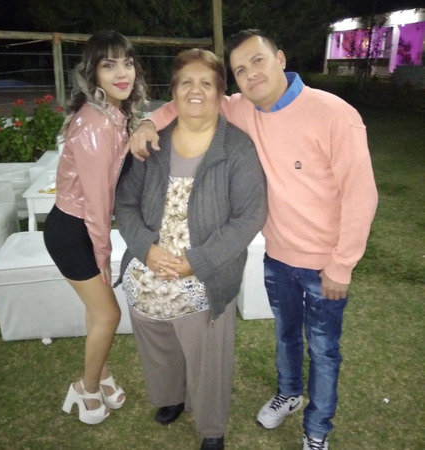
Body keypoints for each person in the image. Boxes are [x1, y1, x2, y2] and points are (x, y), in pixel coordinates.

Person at [129, 29, 378, 450]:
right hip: (278, 256)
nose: (250, 74)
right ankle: (289, 393)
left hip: (325, 264)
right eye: (240, 70)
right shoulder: (242, 109)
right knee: (285, 335)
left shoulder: (334, 114)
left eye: (257, 61)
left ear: (280, 59)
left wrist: (342, 264)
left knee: (323, 349)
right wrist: (148, 122)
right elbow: (188, 99)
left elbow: (361, 194)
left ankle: (317, 430)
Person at [114, 48, 267, 450]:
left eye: (206, 83)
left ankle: (211, 427)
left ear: (220, 93)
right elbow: (125, 204)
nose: (195, 90)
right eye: (186, 82)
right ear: (173, 92)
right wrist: (145, 249)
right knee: (158, 343)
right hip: (149, 266)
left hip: (204, 274)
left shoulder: (236, 149)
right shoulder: (153, 146)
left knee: (209, 361)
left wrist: (196, 262)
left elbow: (249, 217)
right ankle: (171, 397)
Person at [43, 30, 147, 425]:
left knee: (97, 309)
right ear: (94, 73)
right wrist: (103, 253)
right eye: (109, 65)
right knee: (108, 315)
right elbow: (98, 201)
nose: (122, 73)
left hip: (83, 226)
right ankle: (84, 388)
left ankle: (101, 375)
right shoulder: (95, 124)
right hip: (73, 231)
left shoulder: (113, 114)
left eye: (127, 63)